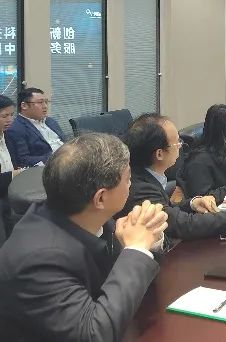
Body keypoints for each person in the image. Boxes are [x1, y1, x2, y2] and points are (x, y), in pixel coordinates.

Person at [0, 133, 168, 341]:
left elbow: (136, 286)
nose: (131, 185)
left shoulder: (88, 214)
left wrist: (150, 239)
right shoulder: (38, 260)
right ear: (100, 198)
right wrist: (137, 250)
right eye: (128, 179)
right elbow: (94, 334)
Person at [121, 114, 226, 247]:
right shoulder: (140, 188)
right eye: (177, 142)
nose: (181, 146)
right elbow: (183, 225)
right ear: (159, 154)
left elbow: (168, 210)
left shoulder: (149, 176)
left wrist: (192, 203)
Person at [5, 87, 66, 167]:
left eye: (46, 102)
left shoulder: (50, 121)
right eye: (40, 102)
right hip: (50, 167)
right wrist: (57, 158)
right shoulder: (15, 128)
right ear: (24, 105)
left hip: (68, 160)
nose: (45, 106)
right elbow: (23, 160)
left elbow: (64, 141)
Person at [0, 95, 23, 242]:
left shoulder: (9, 137)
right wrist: (13, 175)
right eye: (4, 116)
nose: (10, 120)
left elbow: (15, 163)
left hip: (10, 190)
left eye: (11, 115)